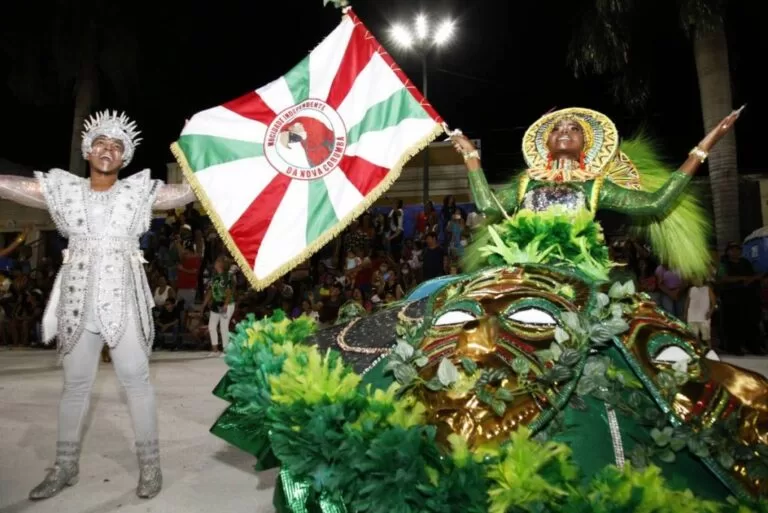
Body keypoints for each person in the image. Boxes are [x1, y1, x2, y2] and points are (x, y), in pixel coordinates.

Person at [0, 110, 197, 500]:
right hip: (76, 300)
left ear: (125, 158)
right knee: (74, 386)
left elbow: (188, 192)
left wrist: (199, 150)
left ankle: (150, 467)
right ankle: (65, 466)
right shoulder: (64, 190)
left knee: (136, 382)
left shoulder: (139, 192)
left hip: (122, 298)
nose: (108, 150)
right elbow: (9, 185)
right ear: (88, 150)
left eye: (116, 146)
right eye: (101, 144)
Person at [451, 106, 742, 283]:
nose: (564, 130)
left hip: (577, 271)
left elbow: (656, 202)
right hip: (522, 270)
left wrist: (704, 147)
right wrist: (471, 156)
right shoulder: (526, 182)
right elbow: (488, 206)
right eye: (557, 128)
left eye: (574, 128)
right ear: (547, 143)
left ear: (585, 144)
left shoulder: (596, 186)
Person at [201, 256, 236, 357]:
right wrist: (203, 305)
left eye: (217, 261)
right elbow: (210, 292)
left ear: (222, 264)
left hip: (226, 304)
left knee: (223, 326)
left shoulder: (227, 276)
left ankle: (226, 350)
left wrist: (225, 304)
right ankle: (215, 349)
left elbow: (229, 291)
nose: (215, 263)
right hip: (216, 304)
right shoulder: (215, 277)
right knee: (211, 326)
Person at [685, 277, 716, 347]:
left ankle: (709, 351)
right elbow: (687, 302)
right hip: (692, 316)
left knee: (706, 337)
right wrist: (686, 313)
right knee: (694, 337)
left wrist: (711, 312)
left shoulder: (707, 289)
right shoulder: (691, 289)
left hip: (703, 317)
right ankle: (698, 351)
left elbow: (713, 302)